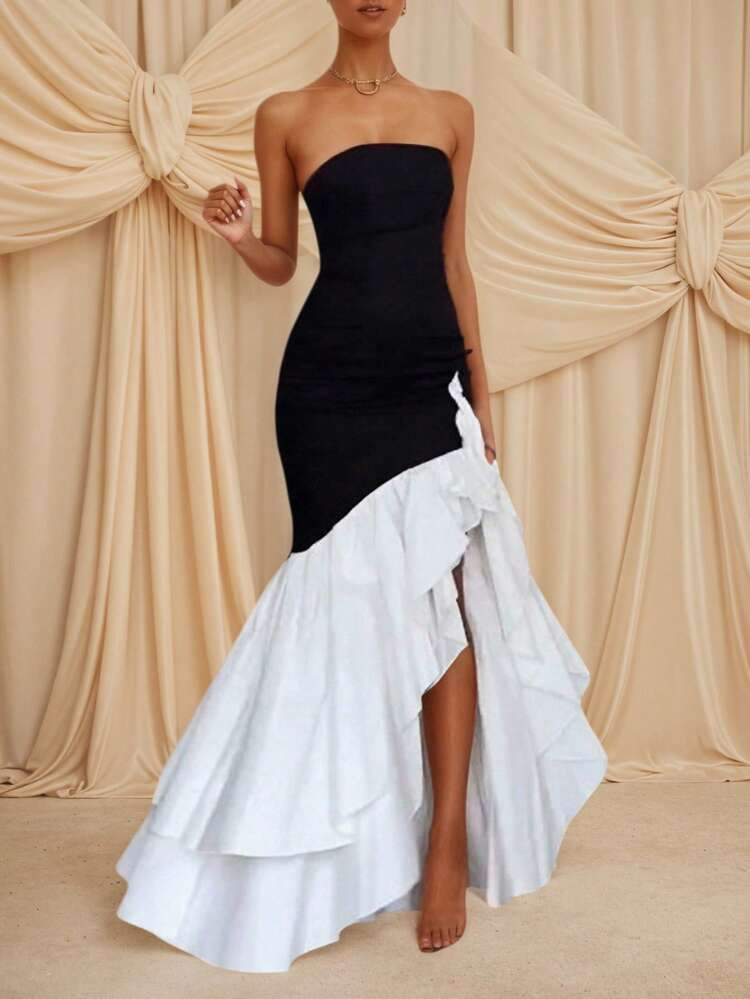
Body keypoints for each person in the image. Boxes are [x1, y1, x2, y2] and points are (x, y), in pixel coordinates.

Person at [115, 0, 608, 975]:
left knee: (449, 596)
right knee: (341, 605)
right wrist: (239, 234)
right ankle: (325, 834)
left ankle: (444, 844)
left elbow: (454, 260)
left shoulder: (453, 112)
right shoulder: (285, 113)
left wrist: (481, 392)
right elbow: (281, 263)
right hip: (327, 388)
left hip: (427, 381)